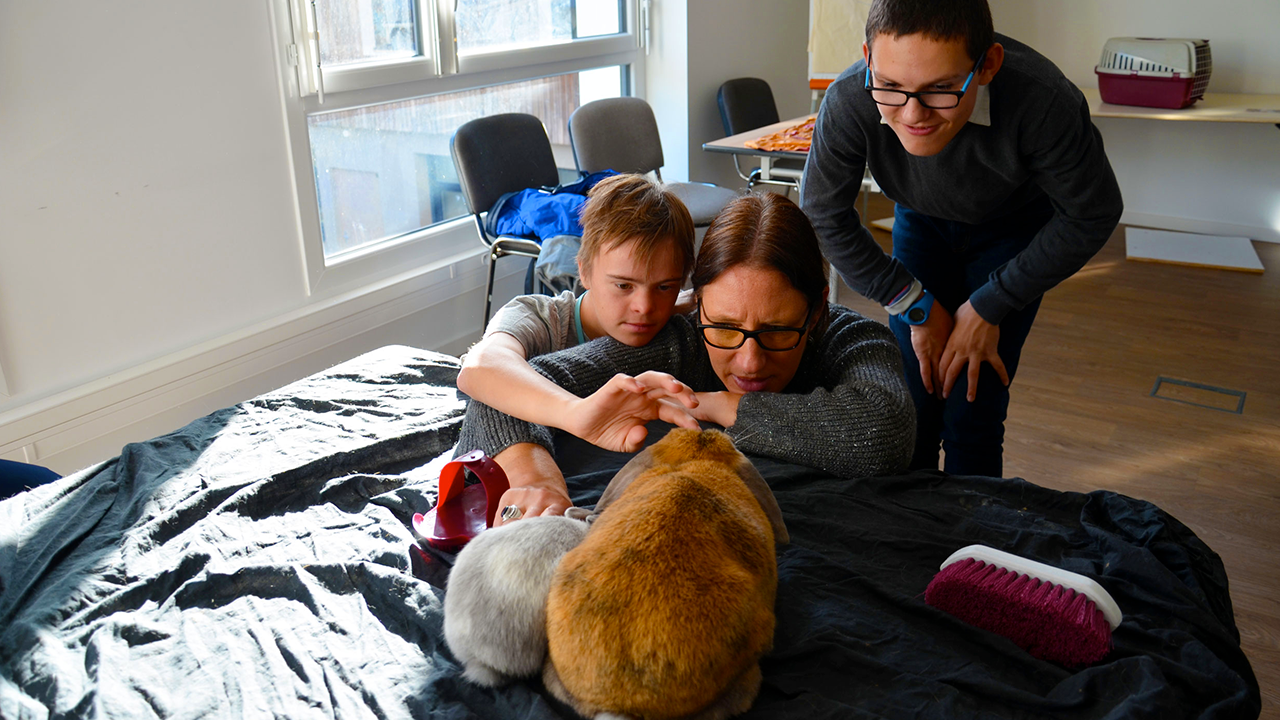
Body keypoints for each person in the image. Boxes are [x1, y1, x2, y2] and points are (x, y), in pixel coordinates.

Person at [800, 0, 1123, 477]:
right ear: (869, 59)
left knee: (974, 403)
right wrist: (912, 303)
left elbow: (1092, 214)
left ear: (987, 65)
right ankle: (909, 533)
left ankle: (970, 538)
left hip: (1012, 229)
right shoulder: (850, 97)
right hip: (921, 221)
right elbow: (823, 212)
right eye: (890, 87)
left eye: (942, 89)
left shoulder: (1044, 99)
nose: (913, 114)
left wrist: (991, 303)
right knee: (914, 394)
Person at [456, 192, 916, 524]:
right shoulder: (681, 336)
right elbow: (510, 384)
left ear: (816, 311)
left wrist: (712, 402)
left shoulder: (854, 338)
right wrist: (536, 478)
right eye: (726, 328)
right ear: (701, 307)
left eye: (776, 331)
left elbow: (883, 434)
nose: (750, 362)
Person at [456, 172, 702, 521]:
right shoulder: (541, 318)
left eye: (664, 287)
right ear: (584, 271)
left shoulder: (679, 319)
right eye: (623, 286)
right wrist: (578, 415)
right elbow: (481, 366)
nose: (644, 307)